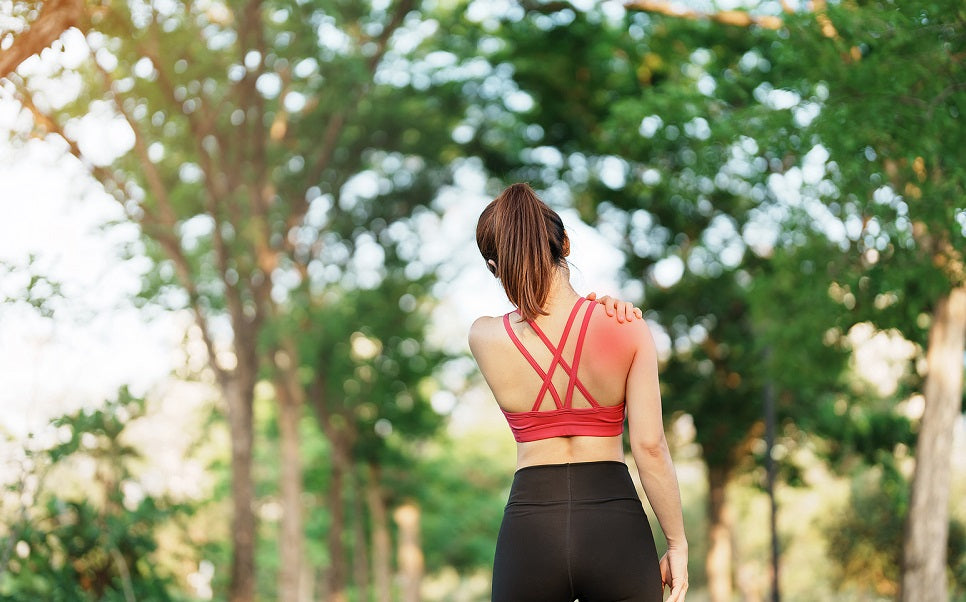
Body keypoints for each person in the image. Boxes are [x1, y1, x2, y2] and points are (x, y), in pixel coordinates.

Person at [469, 183, 688, 602]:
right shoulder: (626, 325)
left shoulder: (483, 337)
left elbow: (535, 318)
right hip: (615, 526)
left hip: (530, 533)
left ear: (495, 266)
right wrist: (676, 544)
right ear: (565, 243)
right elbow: (650, 446)